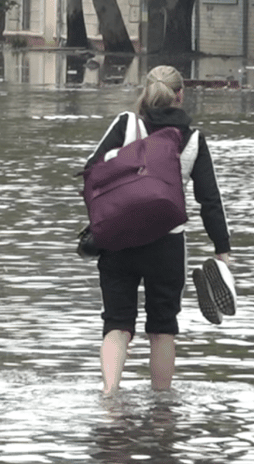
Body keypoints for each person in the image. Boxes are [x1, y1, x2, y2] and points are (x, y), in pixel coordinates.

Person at [85, 64, 232, 394]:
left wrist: (99, 222)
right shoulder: (192, 139)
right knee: (163, 328)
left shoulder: (126, 124)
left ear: (146, 91)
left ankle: (109, 397)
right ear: (180, 95)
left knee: (117, 323)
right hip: (167, 245)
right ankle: (163, 408)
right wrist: (222, 248)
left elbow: (91, 170)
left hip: (118, 239)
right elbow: (210, 199)